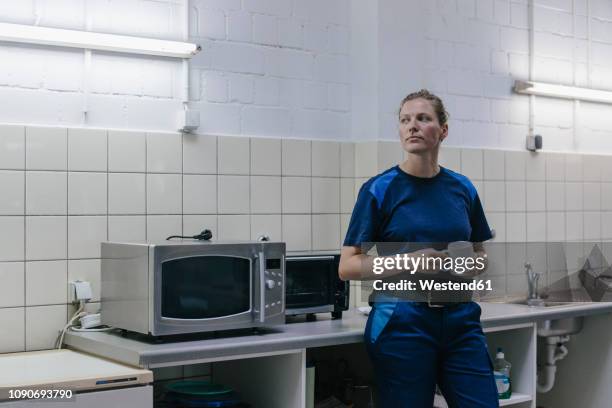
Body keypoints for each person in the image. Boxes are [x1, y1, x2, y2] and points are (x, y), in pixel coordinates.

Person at [339, 89, 499, 407]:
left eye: (423, 119)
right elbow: (348, 266)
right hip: (402, 320)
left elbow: (480, 255)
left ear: (443, 130)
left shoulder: (462, 188)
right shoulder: (379, 189)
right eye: (405, 120)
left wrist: (470, 263)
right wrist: (409, 262)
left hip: (460, 319)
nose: (412, 126)